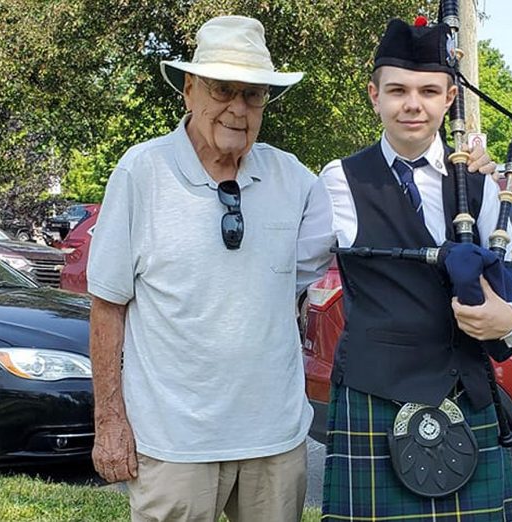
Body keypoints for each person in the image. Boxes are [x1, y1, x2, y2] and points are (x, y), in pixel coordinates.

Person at [86, 15, 333, 522]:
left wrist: (460, 166)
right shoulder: (142, 172)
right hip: (173, 444)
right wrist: (109, 421)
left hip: (275, 441)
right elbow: (107, 305)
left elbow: (374, 204)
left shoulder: (296, 180)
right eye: (223, 90)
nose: (237, 109)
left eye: (253, 95)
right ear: (190, 90)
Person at [316, 18, 512, 521]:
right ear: (375, 96)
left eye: (428, 91)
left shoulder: (483, 184)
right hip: (373, 398)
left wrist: (507, 321)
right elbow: (291, 268)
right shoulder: (338, 181)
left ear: (449, 99)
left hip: (466, 397)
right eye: (397, 90)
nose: (412, 104)